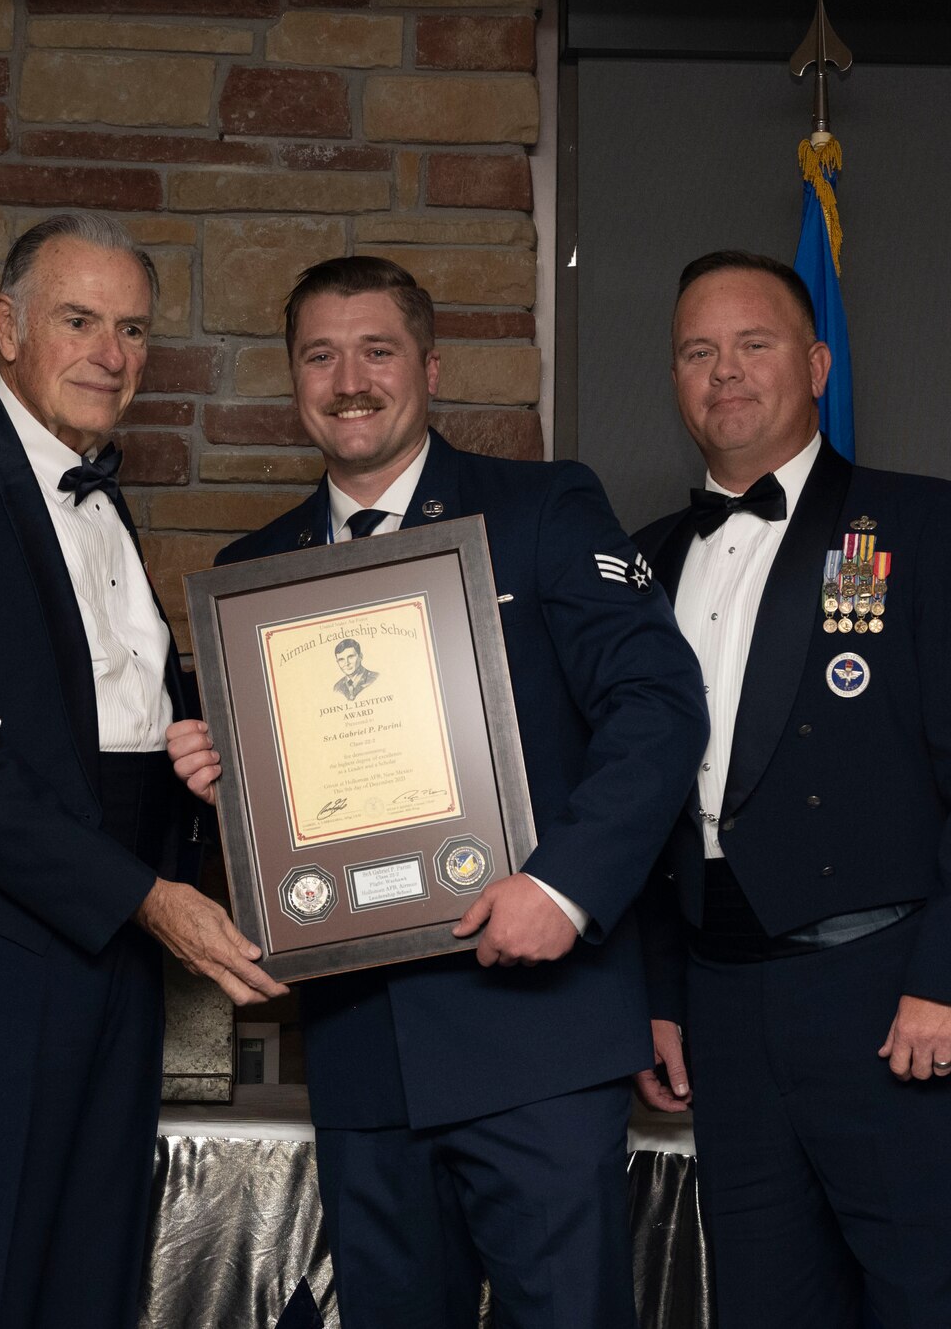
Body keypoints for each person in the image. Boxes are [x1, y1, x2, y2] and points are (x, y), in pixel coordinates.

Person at [167, 256, 706, 1328]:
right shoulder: (251, 573)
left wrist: (560, 887)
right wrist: (216, 785)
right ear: (292, 381)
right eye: (319, 355)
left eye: (376, 350)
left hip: (537, 1043)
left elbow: (657, 707)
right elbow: (263, 845)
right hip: (366, 1060)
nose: (349, 379)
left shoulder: (544, 506)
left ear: (429, 364)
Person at [0, 211, 287, 1329]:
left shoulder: (96, 492)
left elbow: (103, 705)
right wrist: (146, 897)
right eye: (78, 320)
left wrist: (199, 742)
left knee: (91, 1265)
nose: (110, 353)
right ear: (7, 327)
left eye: (131, 329)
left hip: (112, 927)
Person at [629, 249, 951, 1327]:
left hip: (885, 989)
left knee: (929, 1301)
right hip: (719, 1005)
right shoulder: (637, 564)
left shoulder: (926, 525)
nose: (724, 371)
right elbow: (632, 799)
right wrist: (662, 998)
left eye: (753, 344)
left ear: (815, 365)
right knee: (764, 1307)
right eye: (697, 351)